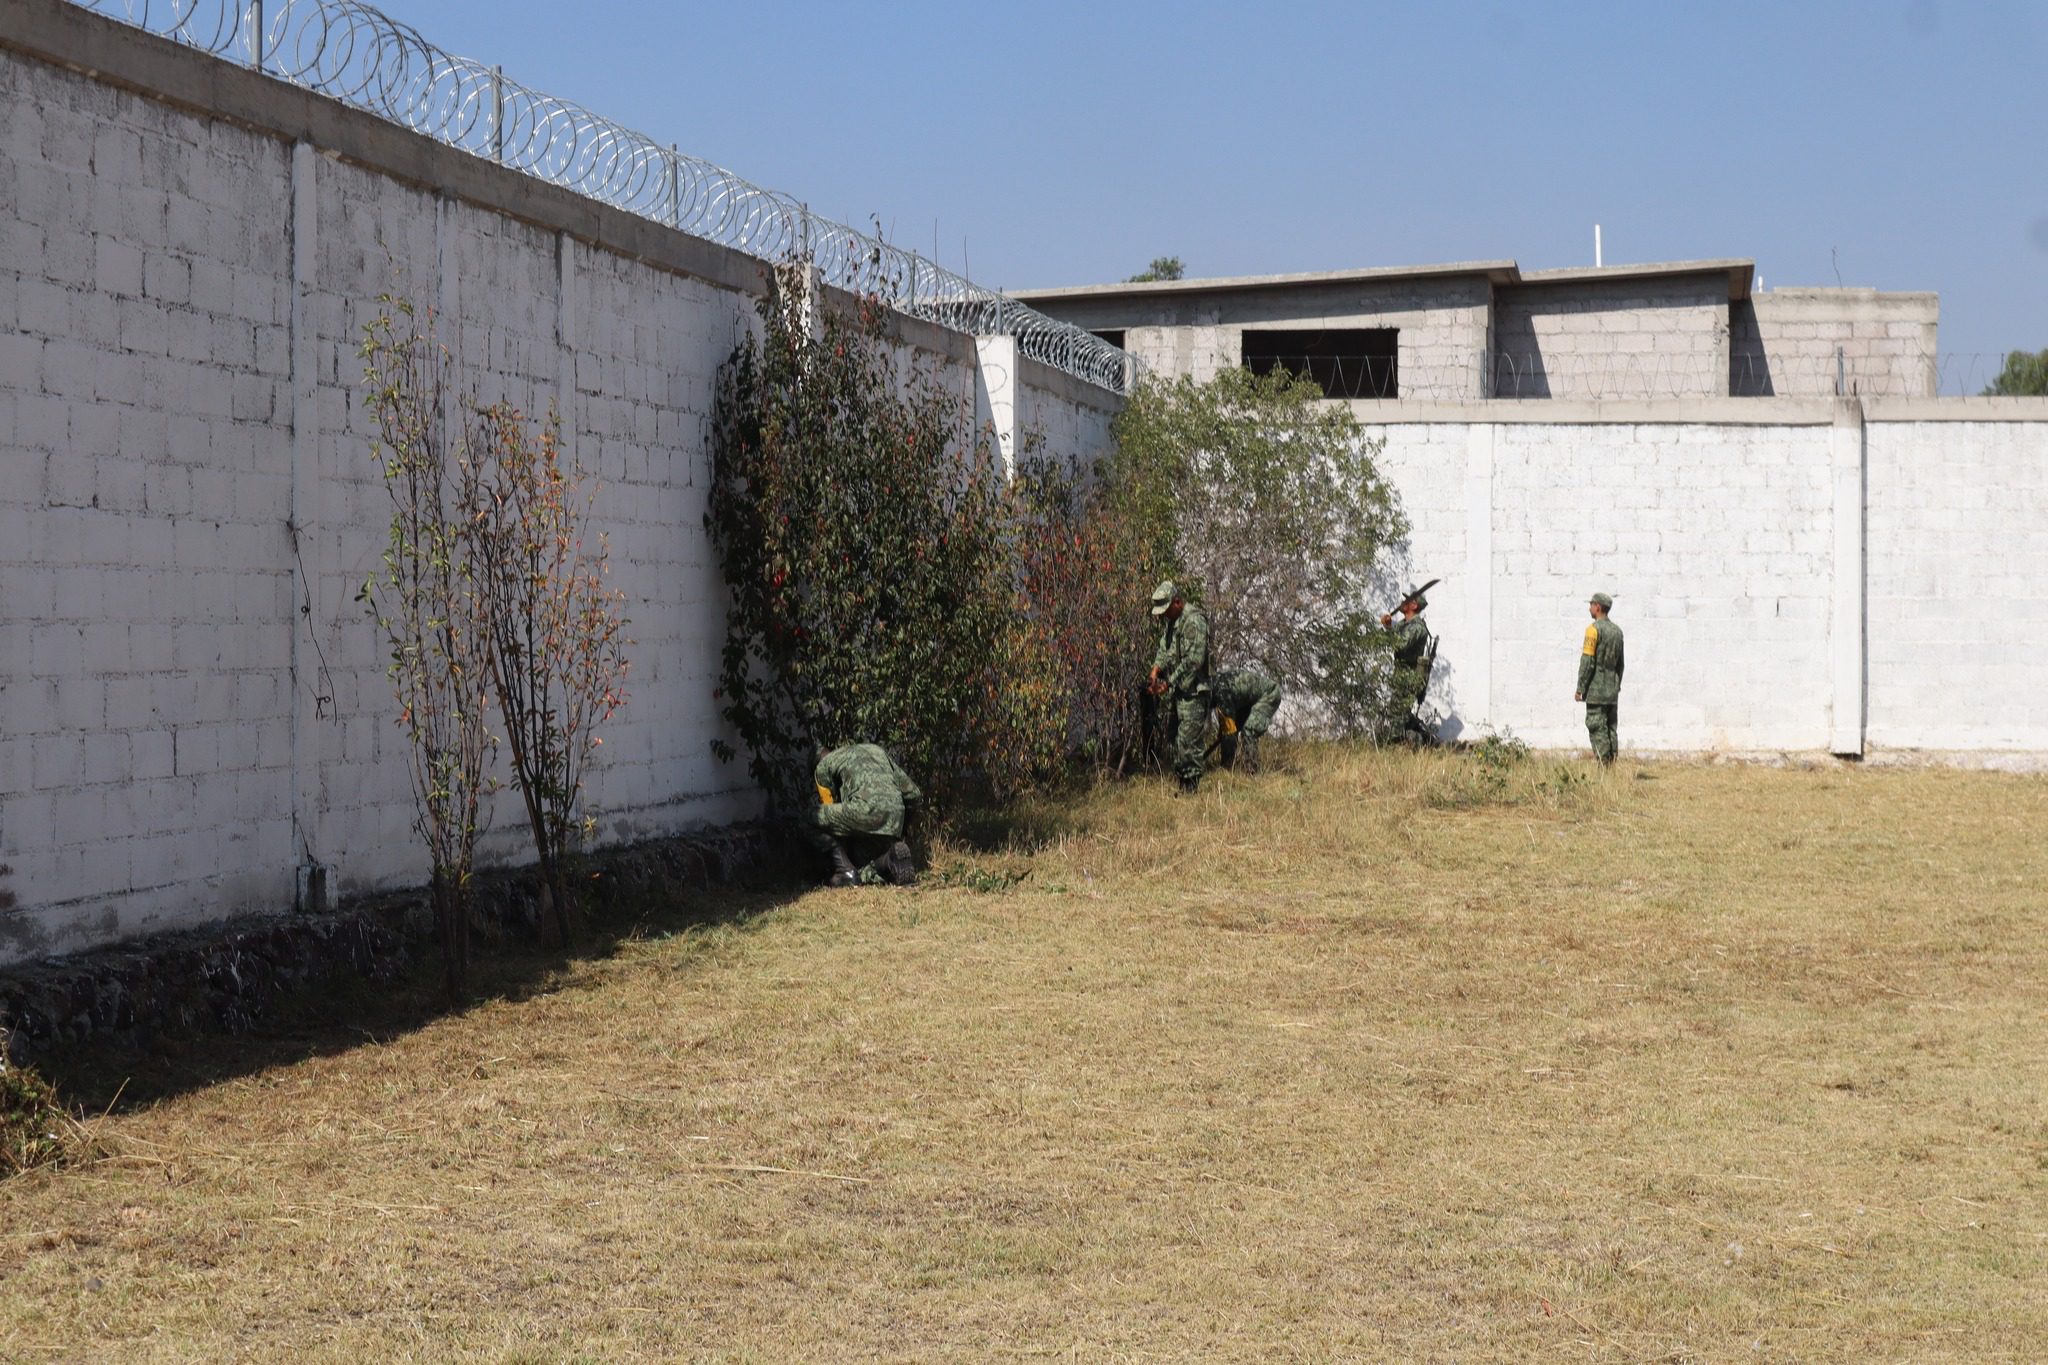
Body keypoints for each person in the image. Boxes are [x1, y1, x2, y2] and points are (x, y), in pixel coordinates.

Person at [804, 742, 921, 887]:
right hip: (894, 815)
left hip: (862, 811)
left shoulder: (822, 767)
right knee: (864, 859)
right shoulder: (876, 751)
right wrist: (902, 829)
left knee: (809, 817)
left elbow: (829, 807)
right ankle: (890, 858)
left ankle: (844, 870)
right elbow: (914, 794)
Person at [1146, 580, 1212, 794]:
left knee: (1189, 742)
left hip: (1193, 693)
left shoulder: (1194, 621)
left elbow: (1194, 660)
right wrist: (1156, 668)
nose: (1164, 615)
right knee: (1174, 738)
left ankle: (1191, 789)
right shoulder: (1172, 622)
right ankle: (1183, 784)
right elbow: (1165, 649)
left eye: (1166, 610)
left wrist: (1168, 683)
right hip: (1179, 693)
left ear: (1177, 602)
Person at [1575, 591, 1625, 764]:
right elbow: (1621, 664)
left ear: (1597, 607)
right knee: (1611, 727)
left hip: (1596, 689)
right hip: (1612, 689)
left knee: (1596, 726)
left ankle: (1604, 766)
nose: (1590, 608)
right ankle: (1612, 764)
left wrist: (1581, 687)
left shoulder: (1593, 630)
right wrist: (1617, 684)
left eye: (1591, 605)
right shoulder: (1617, 632)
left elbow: (1587, 661)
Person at [1380, 587, 1435, 744]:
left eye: (1407, 600)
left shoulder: (1417, 627)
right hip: (1400, 675)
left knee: (1398, 714)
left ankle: (1419, 740)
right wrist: (1389, 627)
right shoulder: (1404, 624)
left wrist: (1390, 629)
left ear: (1414, 606)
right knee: (1396, 712)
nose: (1402, 602)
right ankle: (1416, 736)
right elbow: (1387, 641)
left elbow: (1400, 645)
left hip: (1409, 677)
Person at [1210, 667, 1282, 773]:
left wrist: (1225, 767)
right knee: (1231, 730)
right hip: (1247, 701)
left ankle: (1251, 770)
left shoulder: (1221, 693)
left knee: (1249, 730)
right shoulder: (1217, 685)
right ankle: (1231, 766)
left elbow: (1229, 732)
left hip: (1269, 694)